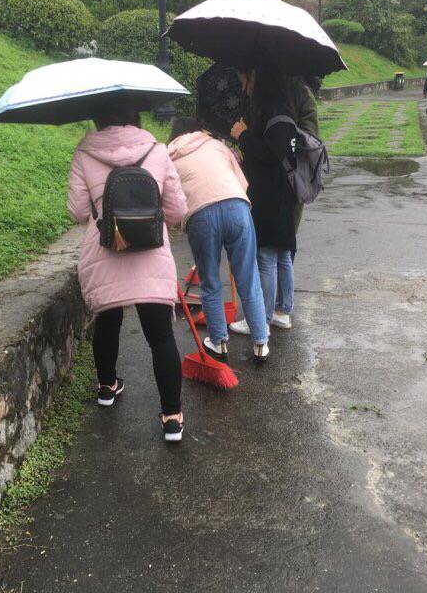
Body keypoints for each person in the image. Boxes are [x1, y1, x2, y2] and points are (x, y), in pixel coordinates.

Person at [67, 107, 189, 442]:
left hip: (104, 253)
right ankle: (172, 418)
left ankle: (107, 387)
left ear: (98, 116)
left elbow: (78, 211)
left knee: (107, 321)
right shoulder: (157, 150)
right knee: (161, 337)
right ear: (136, 115)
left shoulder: (84, 153)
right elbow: (177, 210)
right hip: (151, 256)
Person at [168, 118, 270, 362]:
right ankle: (260, 343)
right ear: (197, 131)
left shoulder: (168, 157)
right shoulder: (215, 145)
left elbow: (171, 201)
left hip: (200, 215)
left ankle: (218, 342)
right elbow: (242, 182)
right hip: (236, 206)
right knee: (248, 276)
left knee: (210, 280)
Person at [229, 65, 299, 337]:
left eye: (243, 78)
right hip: (284, 191)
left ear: (256, 77)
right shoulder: (283, 110)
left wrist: (243, 135)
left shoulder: (271, 113)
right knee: (282, 253)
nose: (242, 85)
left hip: (269, 194)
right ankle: (282, 311)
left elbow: (270, 155)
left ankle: (262, 318)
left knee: (267, 255)